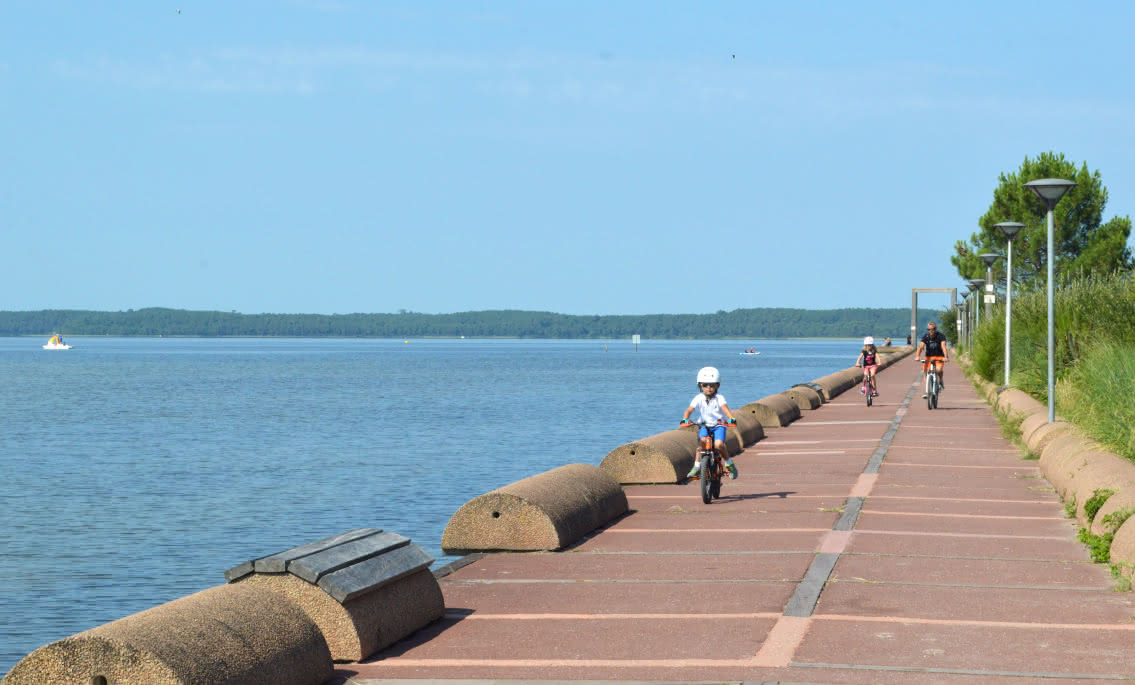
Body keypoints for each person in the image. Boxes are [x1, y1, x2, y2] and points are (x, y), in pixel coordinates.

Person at [680, 366, 739, 479]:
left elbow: (725, 409)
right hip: (704, 425)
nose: (708, 388)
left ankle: (729, 464)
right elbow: (689, 410)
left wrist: (731, 418)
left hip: (718, 425)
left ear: (717, 385)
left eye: (712, 385)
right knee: (700, 445)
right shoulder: (698, 398)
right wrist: (685, 419)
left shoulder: (719, 397)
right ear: (700, 386)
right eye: (705, 385)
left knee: (719, 445)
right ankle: (697, 467)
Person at [916, 321, 950, 398]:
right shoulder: (926, 336)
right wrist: (917, 356)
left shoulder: (941, 336)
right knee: (925, 372)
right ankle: (927, 391)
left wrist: (946, 357)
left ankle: (940, 381)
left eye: (932, 329)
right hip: (928, 357)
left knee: (938, 370)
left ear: (935, 329)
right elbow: (921, 346)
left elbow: (943, 346)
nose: (930, 331)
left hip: (939, 357)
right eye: (928, 329)